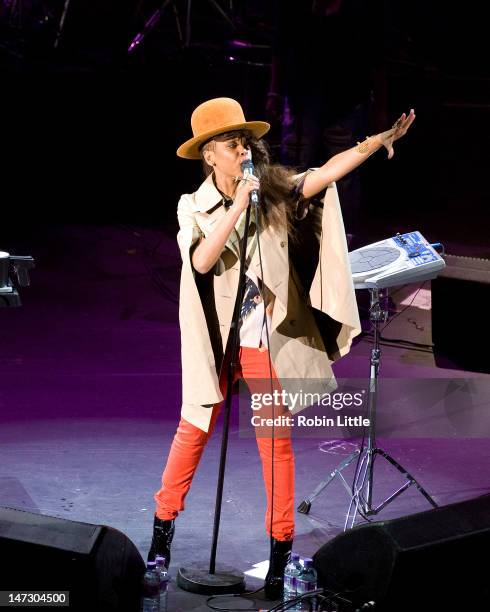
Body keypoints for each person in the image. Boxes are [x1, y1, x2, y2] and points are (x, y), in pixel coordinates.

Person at [148, 97, 414, 599]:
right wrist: (236, 204)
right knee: (193, 431)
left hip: (259, 336)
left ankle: (278, 558)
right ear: (211, 155)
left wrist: (371, 145)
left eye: (246, 140)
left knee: (276, 441)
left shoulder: (270, 191)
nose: (244, 148)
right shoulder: (193, 206)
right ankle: (161, 540)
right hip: (214, 339)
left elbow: (321, 176)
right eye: (232, 143)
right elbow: (203, 262)